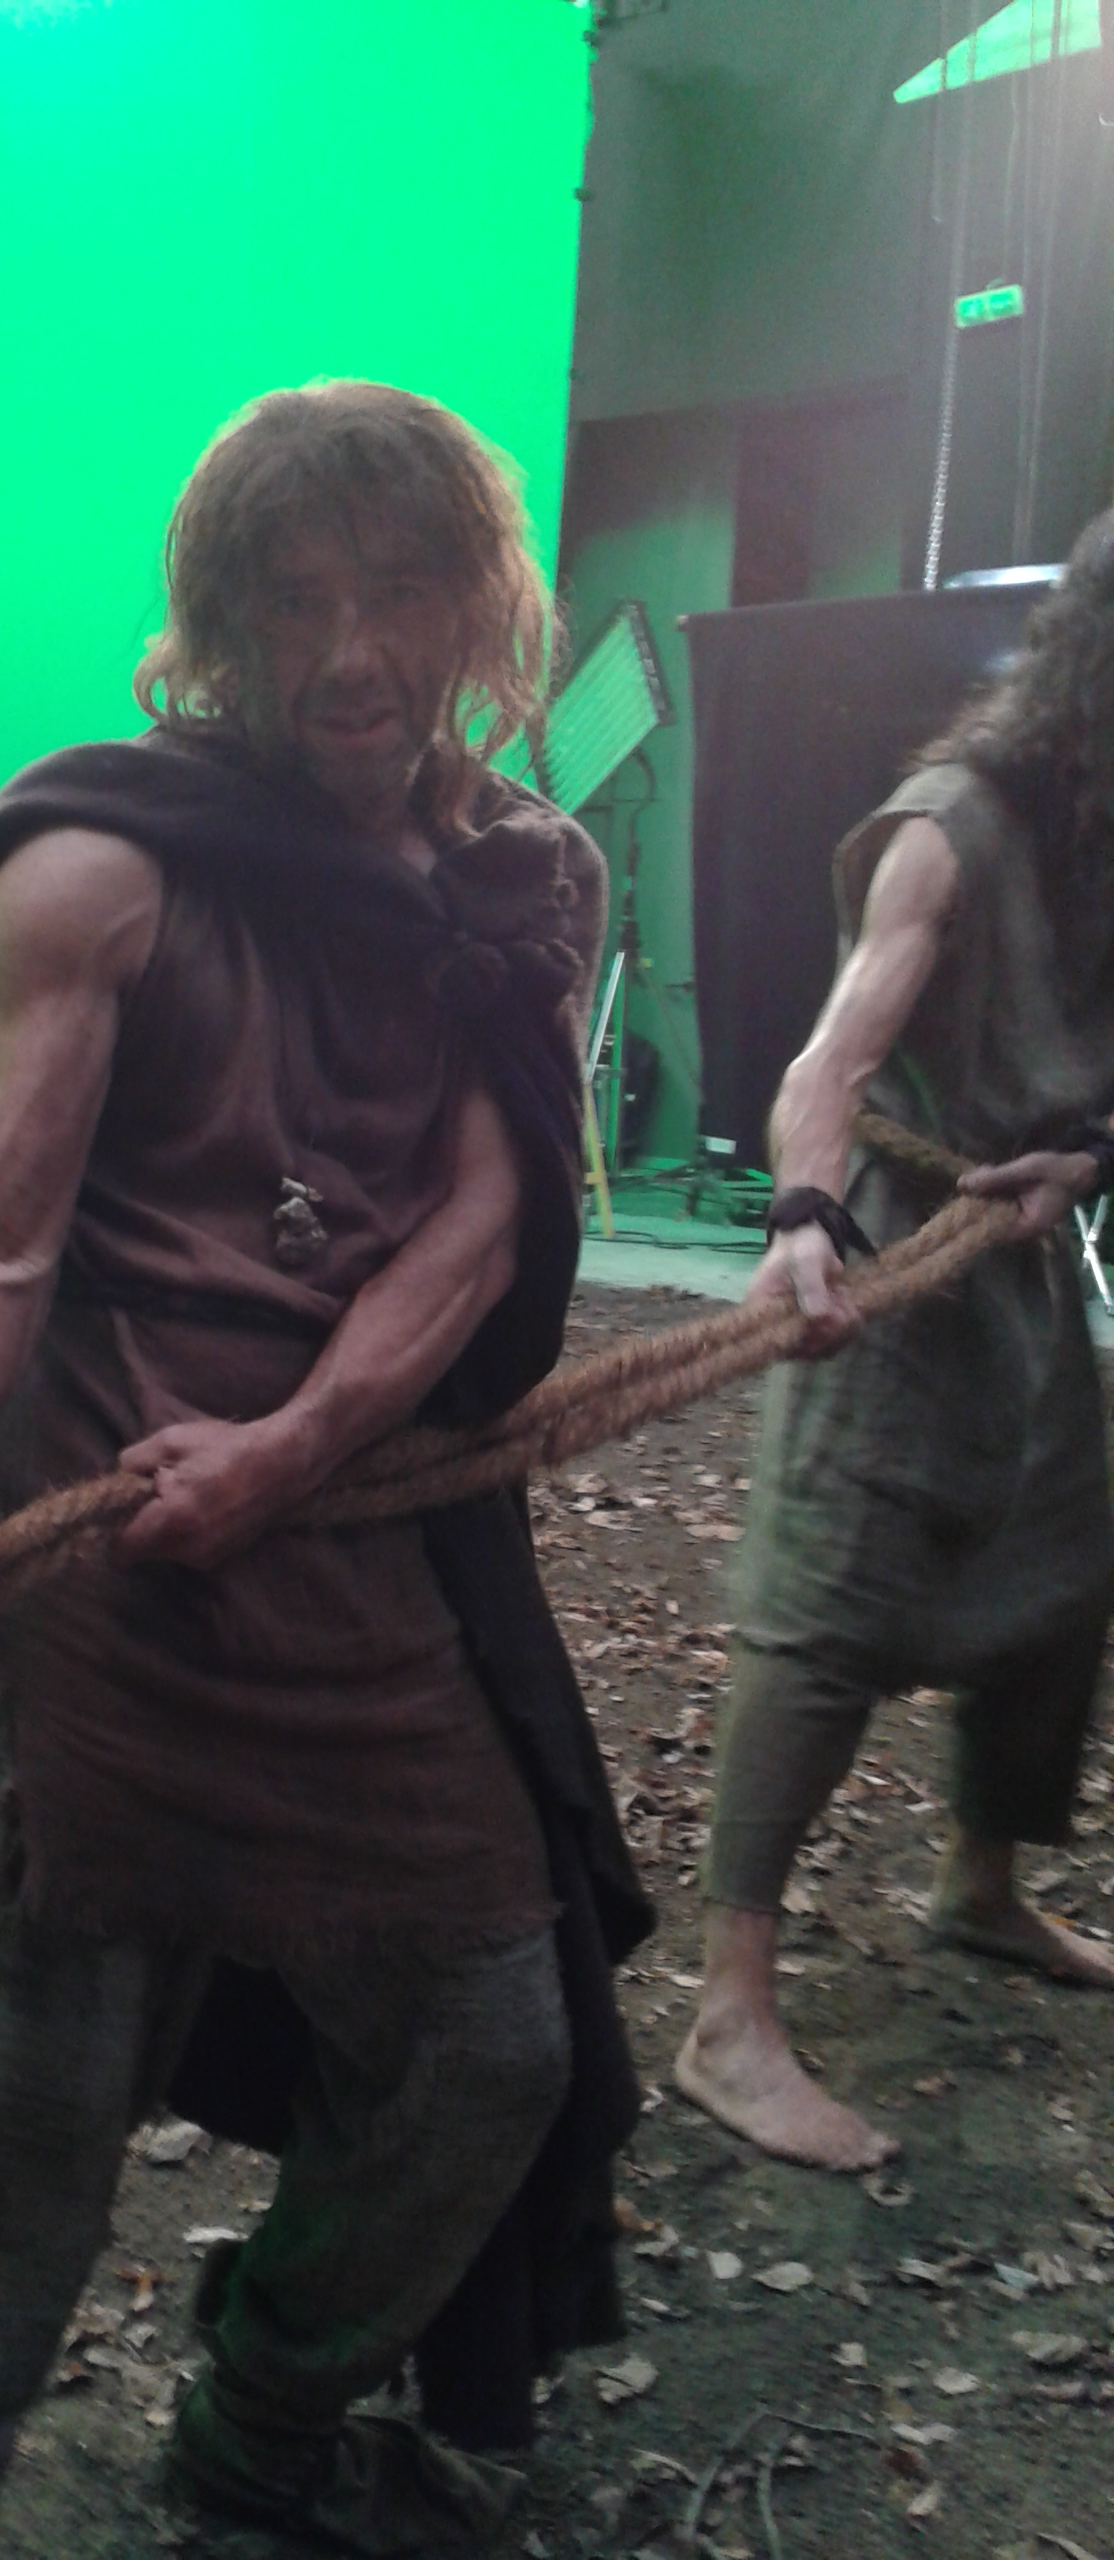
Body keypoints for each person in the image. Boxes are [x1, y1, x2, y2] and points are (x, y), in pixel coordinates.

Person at [0, 382, 650, 2560]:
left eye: (397, 590)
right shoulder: (100, 863)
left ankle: (260, 2420)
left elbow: (483, 1215)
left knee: (489, 2047)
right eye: (295, 599)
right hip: (101, 1569)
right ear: (222, 623)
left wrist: (294, 1445)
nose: (351, 650)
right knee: (26, 2098)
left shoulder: (527, 874)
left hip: (357, 1548)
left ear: (478, 604)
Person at [676, 510, 1114, 2175]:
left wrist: (1086, 1159)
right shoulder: (951, 827)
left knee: (1059, 1572)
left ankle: (980, 1888)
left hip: (1023, 1261)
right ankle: (728, 2013)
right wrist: (802, 1220)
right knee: (827, 1608)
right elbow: (832, 1058)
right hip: (892, 1255)